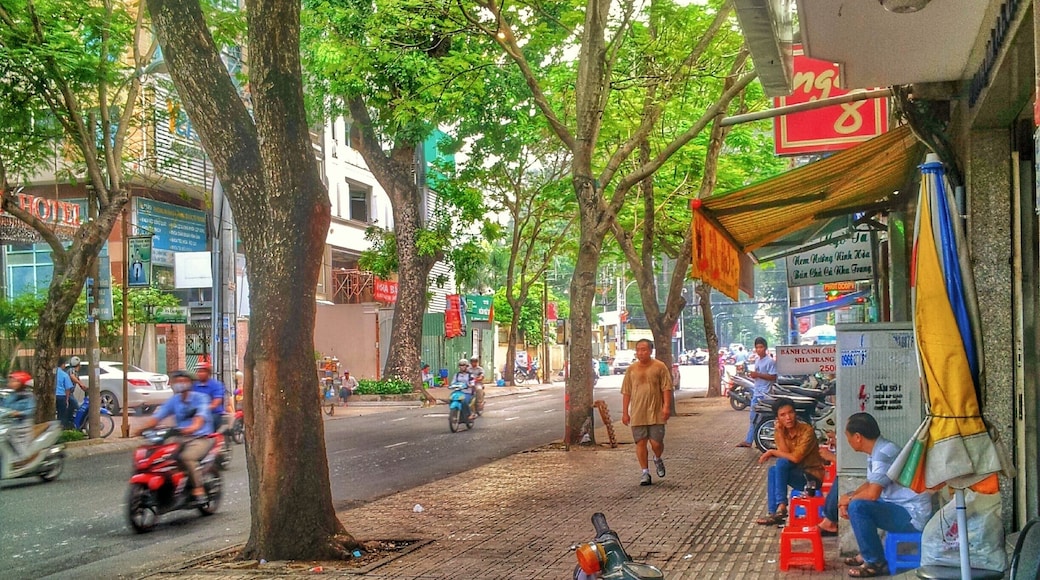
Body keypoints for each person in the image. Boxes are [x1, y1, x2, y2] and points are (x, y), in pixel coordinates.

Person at [840, 413, 932, 578]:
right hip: (900, 506)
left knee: (858, 507)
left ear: (858, 437)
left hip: (912, 515)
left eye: (848, 436)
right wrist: (849, 496)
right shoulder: (878, 450)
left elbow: (873, 494)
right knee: (856, 502)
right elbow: (870, 484)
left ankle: (875, 562)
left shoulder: (882, 454)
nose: (848, 441)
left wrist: (849, 500)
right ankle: (868, 553)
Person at [136, 370, 213, 504]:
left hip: (199, 438)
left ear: (190, 383)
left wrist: (192, 428)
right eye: (177, 382)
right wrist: (140, 429)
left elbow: (200, 418)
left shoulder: (201, 398)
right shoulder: (174, 400)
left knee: (187, 457)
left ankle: (198, 489)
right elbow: (157, 418)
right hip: (178, 437)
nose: (180, 384)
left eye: (183, 381)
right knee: (159, 455)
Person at [754, 397, 826, 525]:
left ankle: (781, 507)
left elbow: (795, 458)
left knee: (779, 465)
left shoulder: (807, 430)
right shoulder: (780, 431)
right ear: (777, 418)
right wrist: (780, 434)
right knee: (773, 470)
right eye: (783, 415)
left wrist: (771, 452)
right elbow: (786, 456)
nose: (788, 417)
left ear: (795, 413)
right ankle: (775, 512)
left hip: (811, 478)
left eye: (791, 412)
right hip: (795, 472)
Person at [621, 339, 673, 486]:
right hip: (638, 413)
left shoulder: (659, 367)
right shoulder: (631, 369)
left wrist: (666, 406)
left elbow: (666, 388)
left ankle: (657, 458)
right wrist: (625, 412)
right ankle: (645, 472)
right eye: (638, 350)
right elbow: (626, 392)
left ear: (650, 351)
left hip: (656, 412)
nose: (640, 353)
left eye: (644, 349)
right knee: (640, 443)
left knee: (656, 443)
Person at [737, 337, 777, 448]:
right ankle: (750, 440)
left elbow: (773, 377)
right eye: (757, 347)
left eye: (761, 347)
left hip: (765, 394)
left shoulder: (770, 361)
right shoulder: (757, 360)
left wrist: (758, 375)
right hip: (757, 392)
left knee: (763, 418)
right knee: (754, 418)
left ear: (765, 348)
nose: (759, 349)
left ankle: (761, 441)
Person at [1, 371, 35, 456]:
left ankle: (24, 456)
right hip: (10, 422)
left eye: (14, 381)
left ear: (21, 383)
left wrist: (19, 413)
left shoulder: (28, 396)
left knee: (10, 434)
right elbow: (4, 405)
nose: (11, 383)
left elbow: (30, 410)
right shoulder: (11, 395)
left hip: (23, 424)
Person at [194, 361, 225, 433]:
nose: (200, 374)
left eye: (202, 371)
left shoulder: (216, 385)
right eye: (199, 371)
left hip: (213, 414)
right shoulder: (194, 385)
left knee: (211, 421)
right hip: (195, 413)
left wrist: (202, 410)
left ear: (208, 373)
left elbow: (216, 403)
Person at [55, 360, 76, 429]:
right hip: (61, 396)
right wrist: (67, 400)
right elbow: (67, 389)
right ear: (62, 364)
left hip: (52, 396)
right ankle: (61, 428)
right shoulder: (64, 375)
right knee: (62, 414)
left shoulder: (52, 373)